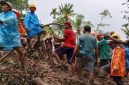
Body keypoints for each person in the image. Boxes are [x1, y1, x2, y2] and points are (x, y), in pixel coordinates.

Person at [0, 1, 25, 69]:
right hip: (3, 36)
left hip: (12, 37)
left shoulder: (12, 15)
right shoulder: (1, 14)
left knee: (20, 51)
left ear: (8, 7)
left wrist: (2, 21)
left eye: (4, 5)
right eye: (3, 5)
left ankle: (23, 68)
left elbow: (11, 20)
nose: (3, 6)